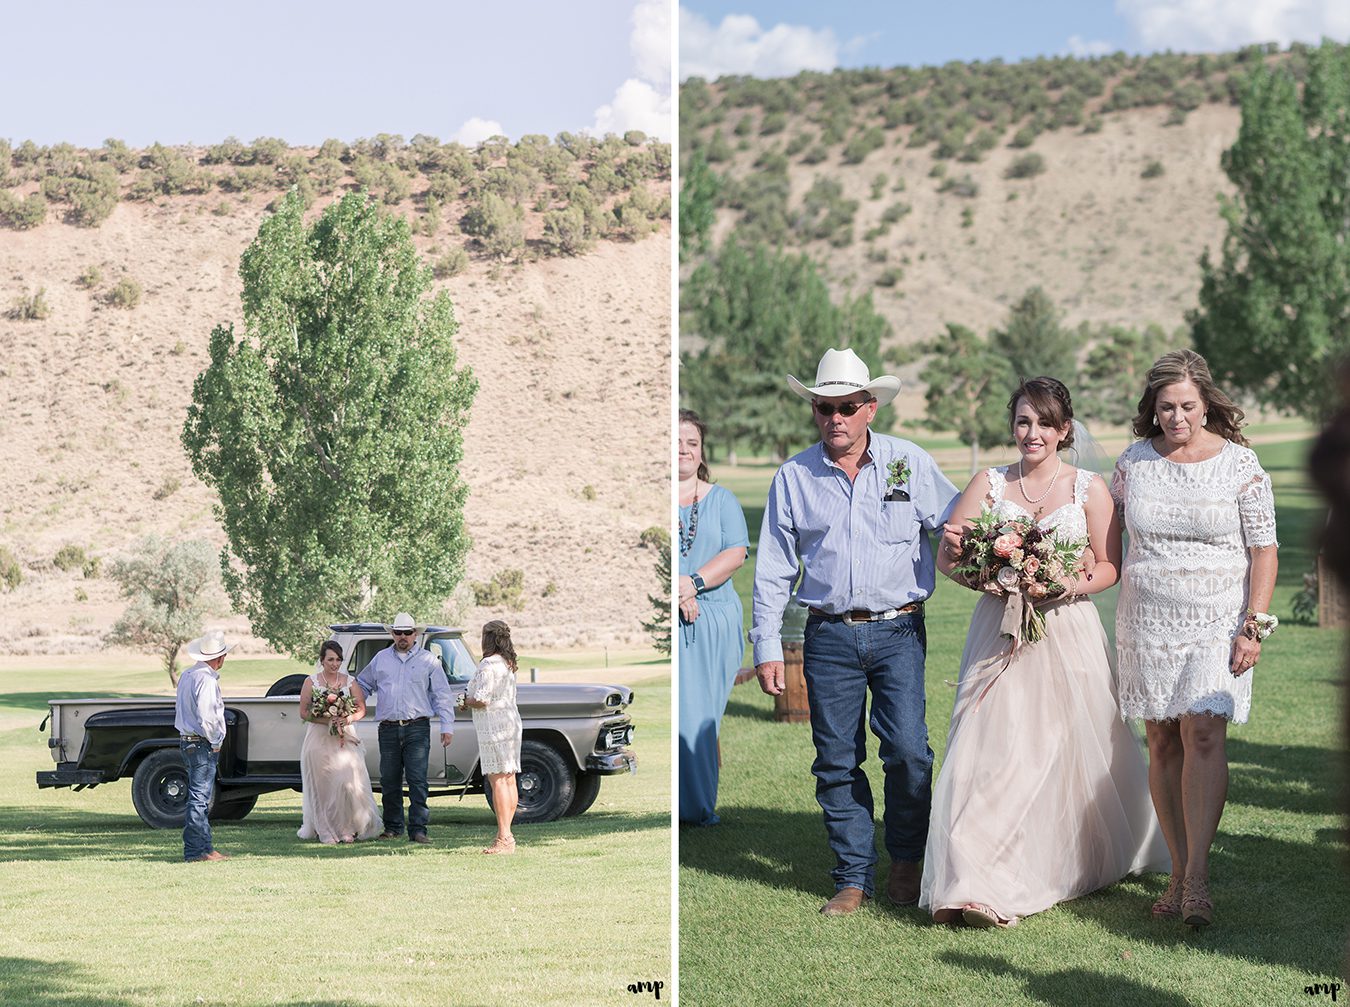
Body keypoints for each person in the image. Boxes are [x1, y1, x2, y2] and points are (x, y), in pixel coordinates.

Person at [921, 377, 1169, 928]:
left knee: (1052, 754)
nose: (1032, 433)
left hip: (1067, 632)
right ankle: (968, 881)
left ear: (1064, 431)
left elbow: (1109, 567)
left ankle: (1026, 871)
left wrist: (1061, 585)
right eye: (1023, 422)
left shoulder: (1088, 489)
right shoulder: (988, 482)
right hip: (999, 631)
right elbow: (949, 555)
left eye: (1044, 423)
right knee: (987, 753)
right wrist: (993, 582)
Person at [751, 347, 960, 915]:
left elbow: (959, 524)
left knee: (909, 752)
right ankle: (851, 876)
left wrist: (1009, 557)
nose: (835, 418)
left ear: (871, 408)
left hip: (899, 632)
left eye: (847, 406)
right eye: (824, 407)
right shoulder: (794, 476)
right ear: (814, 410)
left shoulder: (908, 462)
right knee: (837, 759)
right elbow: (772, 567)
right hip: (827, 638)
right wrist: (767, 645)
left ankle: (907, 861)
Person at [1112, 349, 1279, 927]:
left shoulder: (1241, 466)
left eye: (1186, 406)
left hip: (1219, 621)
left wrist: (1253, 624)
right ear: (1151, 409)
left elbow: (1264, 550)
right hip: (1147, 621)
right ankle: (1177, 871)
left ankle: (1198, 881)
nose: (1176, 417)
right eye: (1165, 407)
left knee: (1203, 731)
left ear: (1207, 404)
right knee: (1162, 741)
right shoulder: (1133, 462)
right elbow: (1103, 539)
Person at [677, 409, 749, 827]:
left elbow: (736, 552)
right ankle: (685, 807)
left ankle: (698, 807)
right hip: (676, 617)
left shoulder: (722, 500)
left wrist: (693, 584)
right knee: (680, 712)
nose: (683, 450)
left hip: (714, 618)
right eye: (675, 442)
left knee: (702, 715)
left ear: (702, 451)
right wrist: (676, 589)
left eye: (692, 442)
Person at [356, 612, 457, 845]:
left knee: (417, 780)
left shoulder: (428, 661)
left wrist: (447, 726)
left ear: (416, 635)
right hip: (388, 728)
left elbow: (442, 694)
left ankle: (418, 829)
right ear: (392, 633)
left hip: (417, 728)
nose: (402, 637)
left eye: (407, 633)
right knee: (389, 780)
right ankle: (393, 828)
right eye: (398, 632)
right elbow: (362, 684)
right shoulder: (380, 659)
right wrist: (347, 705)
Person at [297, 640, 383, 844]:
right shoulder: (312, 682)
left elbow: (361, 708)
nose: (335, 664)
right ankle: (324, 828)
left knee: (346, 782)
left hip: (344, 738)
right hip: (319, 739)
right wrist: (326, 719)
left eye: (338, 660)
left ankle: (346, 828)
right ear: (322, 660)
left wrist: (346, 719)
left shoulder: (349, 682)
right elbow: (304, 712)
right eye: (330, 659)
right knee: (322, 786)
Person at [459, 620, 524, 854]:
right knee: (509, 778)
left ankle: (503, 837)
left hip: (494, 727)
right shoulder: (507, 663)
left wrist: (464, 701)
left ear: (487, 638)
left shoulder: (487, 664)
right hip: (511, 723)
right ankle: (508, 836)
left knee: (498, 780)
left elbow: (482, 699)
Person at [174, 630, 233, 863]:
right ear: (219, 658)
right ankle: (196, 851)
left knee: (200, 797)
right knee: (199, 799)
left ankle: (205, 848)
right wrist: (216, 740)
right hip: (201, 743)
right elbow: (207, 716)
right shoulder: (207, 680)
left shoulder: (188, 675)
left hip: (188, 740)